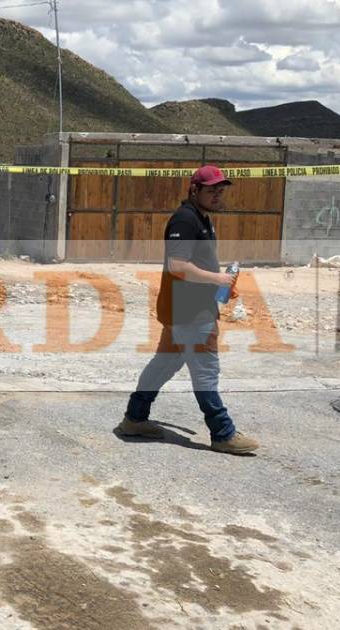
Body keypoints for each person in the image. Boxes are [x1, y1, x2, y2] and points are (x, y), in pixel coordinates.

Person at [116, 165, 260, 455]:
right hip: (191, 312)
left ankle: (135, 418)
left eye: (221, 190)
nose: (218, 195)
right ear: (194, 190)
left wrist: (220, 283)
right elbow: (178, 266)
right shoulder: (185, 220)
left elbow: (195, 264)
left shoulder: (201, 218)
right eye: (211, 190)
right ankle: (223, 433)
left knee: (163, 365)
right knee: (206, 371)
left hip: (184, 308)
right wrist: (217, 279)